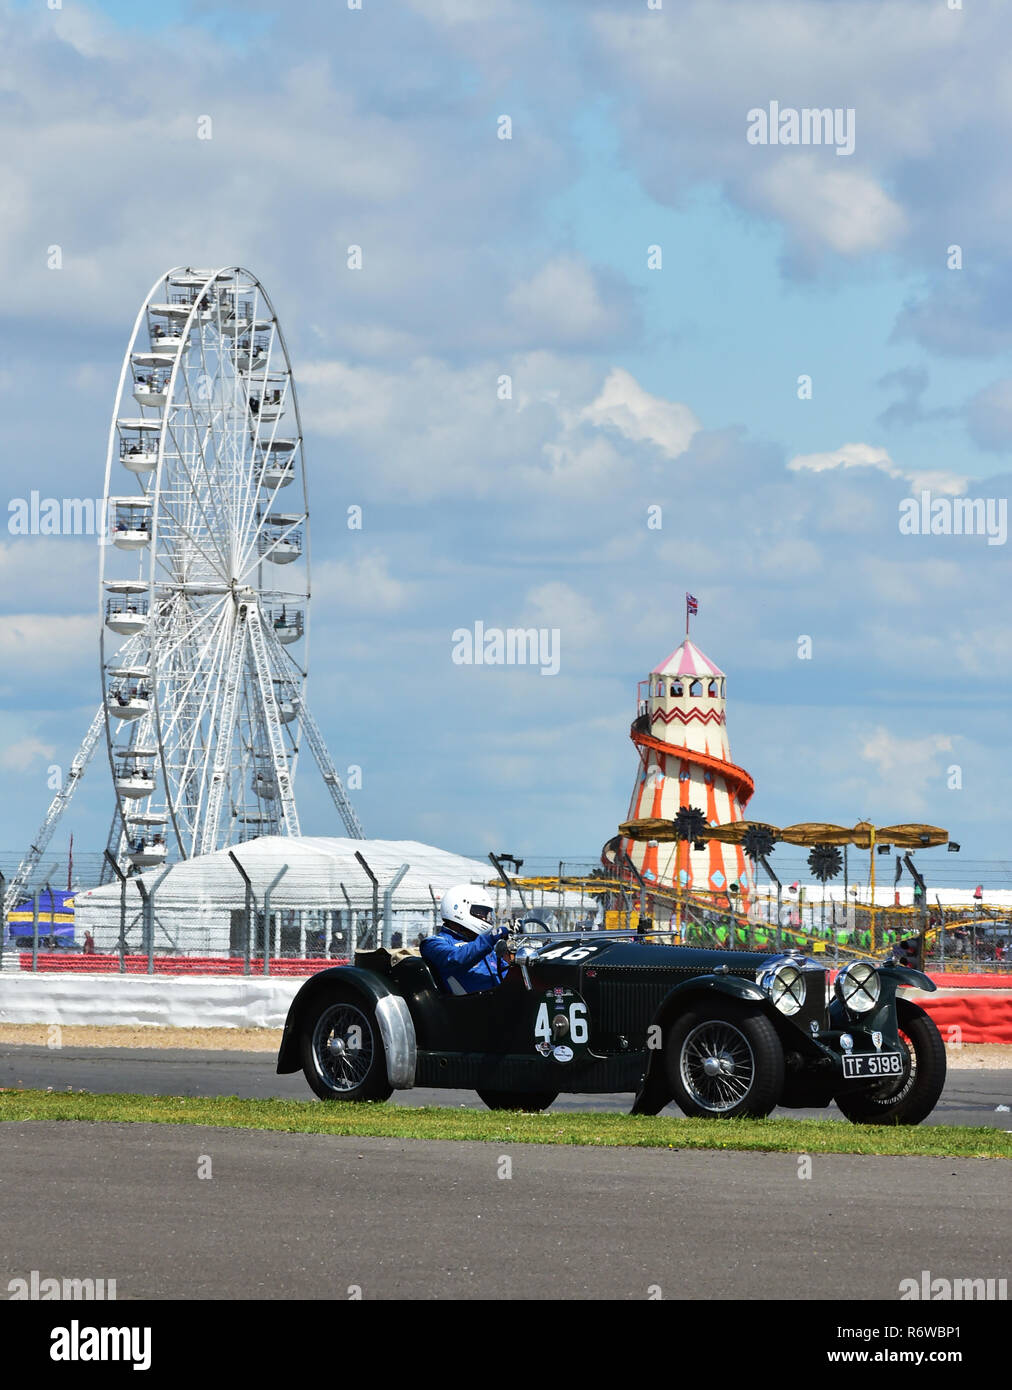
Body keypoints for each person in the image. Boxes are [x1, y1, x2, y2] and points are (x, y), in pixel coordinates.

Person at [420, 884, 510, 995]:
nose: (484, 918)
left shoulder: (482, 945)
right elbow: (455, 959)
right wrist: (492, 937)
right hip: (464, 1008)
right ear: (458, 909)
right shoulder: (433, 943)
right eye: (480, 912)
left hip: (498, 1003)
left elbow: (506, 974)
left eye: (485, 914)